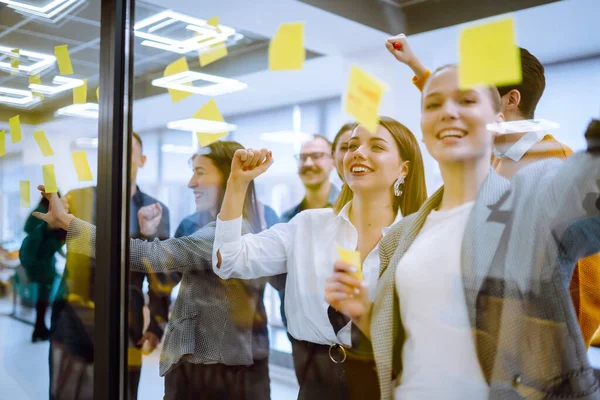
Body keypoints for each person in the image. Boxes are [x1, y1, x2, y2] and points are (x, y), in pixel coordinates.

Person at [325, 65, 600, 399]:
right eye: (434, 104)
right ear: (424, 132)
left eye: (466, 101)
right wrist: (366, 313)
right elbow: (407, 345)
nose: (449, 112)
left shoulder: (533, 201)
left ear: (499, 121)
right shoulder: (402, 236)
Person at [386, 33, 600, 348]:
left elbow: (585, 284)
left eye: (472, 96)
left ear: (510, 101)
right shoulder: (489, 162)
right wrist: (414, 63)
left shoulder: (561, 168)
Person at [34, 141, 275, 400]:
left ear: (231, 176)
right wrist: (149, 235)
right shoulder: (194, 223)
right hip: (193, 365)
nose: (191, 183)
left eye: (200, 172)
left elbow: (151, 257)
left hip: (221, 372)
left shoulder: (232, 232)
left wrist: (68, 222)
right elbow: (166, 277)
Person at [212, 117, 428, 399]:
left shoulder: (418, 238)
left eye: (376, 146)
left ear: (404, 168)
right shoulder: (307, 225)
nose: (358, 153)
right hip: (314, 379)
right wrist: (237, 184)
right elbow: (229, 260)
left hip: (387, 382)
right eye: (352, 146)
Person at [20, 132, 171, 400]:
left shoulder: (155, 210)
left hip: (126, 328)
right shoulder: (77, 200)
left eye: (127, 152)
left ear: (143, 160)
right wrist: (48, 228)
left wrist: (156, 325)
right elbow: (33, 258)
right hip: (72, 325)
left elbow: (160, 274)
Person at [20, 194, 65, 342]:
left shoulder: (46, 214)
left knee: (43, 297)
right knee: (43, 297)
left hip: (42, 262)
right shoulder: (44, 214)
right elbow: (34, 232)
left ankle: (40, 328)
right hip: (41, 264)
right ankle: (39, 328)